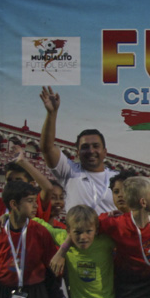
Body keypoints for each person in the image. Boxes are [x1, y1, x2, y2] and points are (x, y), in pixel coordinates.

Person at [40, 86, 118, 214]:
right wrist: (52, 114)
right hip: (78, 233)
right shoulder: (69, 172)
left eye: (96, 146)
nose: (91, 151)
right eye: (85, 147)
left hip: (109, 234)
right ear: (77, 153)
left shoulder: (117, 178)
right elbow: (47, 148)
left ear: (105, 152)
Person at [44, 205, 116, 298]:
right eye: (77, 232)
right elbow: (39, 223)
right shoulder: (62, 238)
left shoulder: (106, 241)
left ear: (97, 230)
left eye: (89, 231)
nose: (83, 237)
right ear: (68, 231)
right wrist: (9, 215)